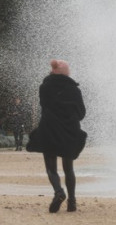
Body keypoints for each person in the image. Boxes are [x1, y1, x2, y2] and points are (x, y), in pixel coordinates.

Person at [26, 59, 87, 213]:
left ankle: (59, 192)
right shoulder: (74, 90)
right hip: (69, 130)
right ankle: (72, 202)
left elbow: (44, 106)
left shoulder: (44, 87)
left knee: (51, 168)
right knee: (69, 168)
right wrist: (71, 119)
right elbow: (81, 113)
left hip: (49, 129)